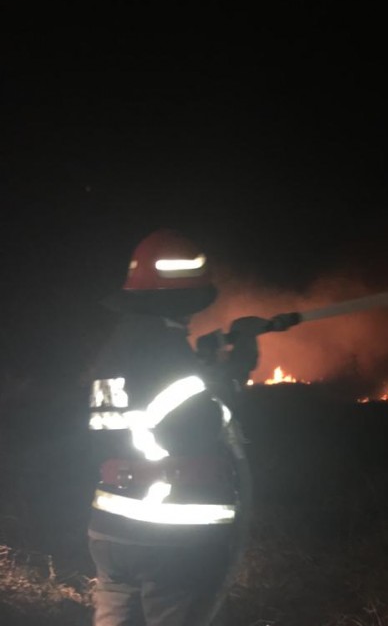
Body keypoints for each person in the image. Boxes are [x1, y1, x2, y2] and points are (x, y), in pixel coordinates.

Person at [85, 228, 260, 626]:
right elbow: (200, 428)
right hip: (171, 535)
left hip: (112, 530)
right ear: (187, 299)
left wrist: (206, 366)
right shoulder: (166, 353)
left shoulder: (117, 349)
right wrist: (236, 371)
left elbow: (153, 408)